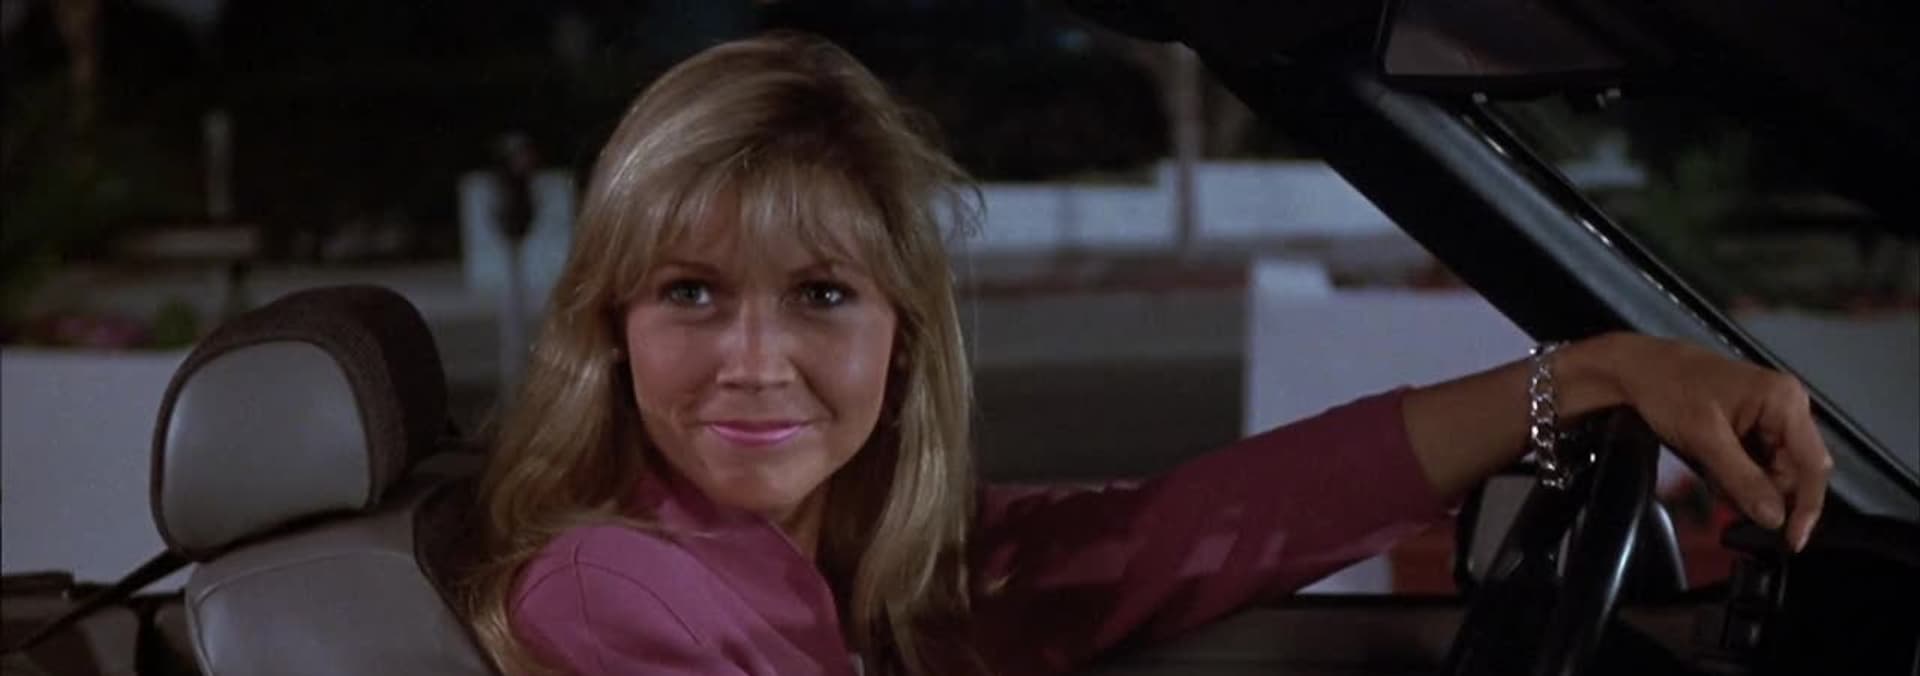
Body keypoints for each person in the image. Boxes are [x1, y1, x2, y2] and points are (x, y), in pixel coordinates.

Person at [460, 32, 1831, 676]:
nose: (755, 360)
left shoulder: (882, 563)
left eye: (820, 294)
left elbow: (1194, 529)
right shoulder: (615, 593)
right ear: (613, 326)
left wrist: (1589, 377)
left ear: (901, 339)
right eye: (692, 294)